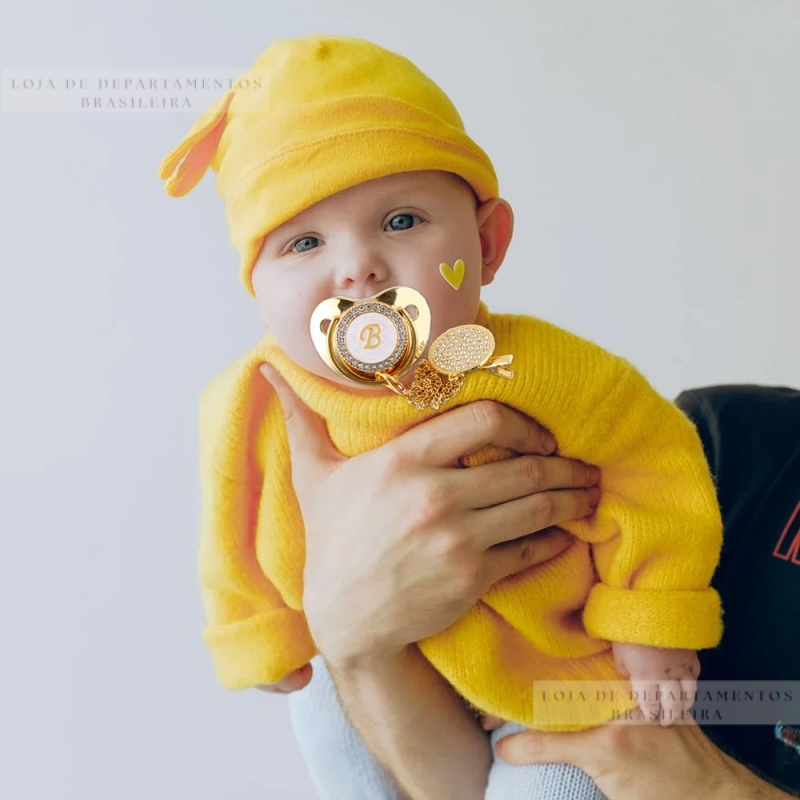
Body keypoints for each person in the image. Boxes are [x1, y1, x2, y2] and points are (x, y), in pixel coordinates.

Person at [159, 35, 726, 798]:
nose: (357, 267)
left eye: (400, 221)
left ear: (487, 243)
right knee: (320, 709)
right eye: (304, 241)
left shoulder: (534, 368)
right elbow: (229, 522)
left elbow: (656, 467)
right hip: (371, 659)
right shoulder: (253, 396)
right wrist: (257, 632)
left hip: (548, 667)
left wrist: (651, 617)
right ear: (258, 289)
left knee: (556, 784)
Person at [272, 381, 799, 799]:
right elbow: (466, 785)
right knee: (326, 679)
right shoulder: (734, 438)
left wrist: (714, 789)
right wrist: (359, 645)